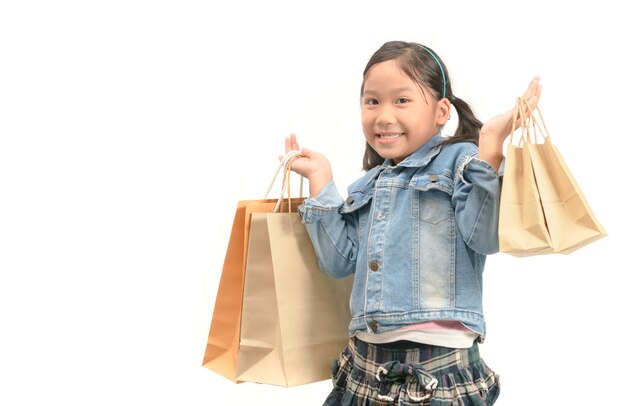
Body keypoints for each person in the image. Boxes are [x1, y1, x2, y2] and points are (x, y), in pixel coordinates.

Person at [283, 40, 541, 405]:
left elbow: (485, 238)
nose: (383, 115)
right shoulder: (366, 185)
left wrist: (490, 147)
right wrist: (322, 183)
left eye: (401, 100)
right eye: (372, 101)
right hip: (365, 366)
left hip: (438, 370)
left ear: (441, 111)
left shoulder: (461, 162)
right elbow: (338, 263)